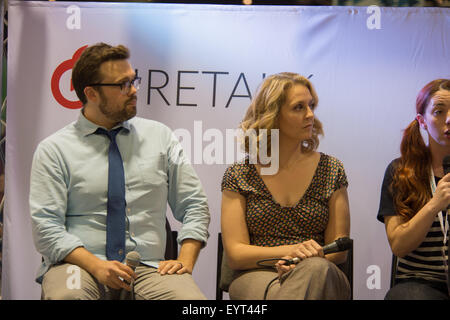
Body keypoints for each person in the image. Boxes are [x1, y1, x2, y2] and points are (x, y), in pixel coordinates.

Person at [30, 43, 210, 300]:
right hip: (78, 265)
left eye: (134, 80)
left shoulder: (160, 137)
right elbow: (46, 227)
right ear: (91, 93)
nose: (134, 90)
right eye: (122, 85)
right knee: (68, 297)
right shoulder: (54, 149)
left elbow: (194, 204)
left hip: (148, 268)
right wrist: (96, 266)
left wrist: (186, 260)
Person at [220, 72, 351, 300]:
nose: (310, 115)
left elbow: (338, 249)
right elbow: (236, 254)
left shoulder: (331, 169)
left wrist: (302, 262)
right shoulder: (240, 174)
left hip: (321, 271)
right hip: (257, 274)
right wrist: (291, 254)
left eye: (311, 106)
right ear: (273, 115)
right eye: (299, 107)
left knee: (315, 273)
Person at [377, 79, 450, 300]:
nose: (449, 119)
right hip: (422, 283)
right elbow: (399, 245)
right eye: (439, 111)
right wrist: (434, 204)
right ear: (423, 121)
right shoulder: (401, 171)